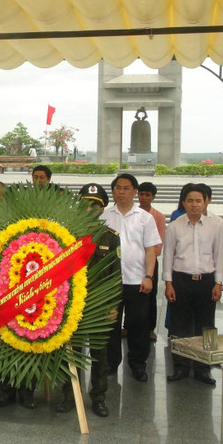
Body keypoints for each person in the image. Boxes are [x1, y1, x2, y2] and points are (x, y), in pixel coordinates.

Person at [56, 183, 119, 417]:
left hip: (99, 305)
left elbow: (115, 273)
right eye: (86, 204)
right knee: (70, 351)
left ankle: (99, 397)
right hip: (71, 303)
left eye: (95, 205)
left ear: (102, 209)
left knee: (100, 353)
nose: (90, 209)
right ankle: (69, 394)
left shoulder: (110, 237)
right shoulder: (67, 234)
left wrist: (113, 305)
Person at [163, 184, 223, 386]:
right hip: (180, 280)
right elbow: (168, 256)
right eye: (190, 201)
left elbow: (220, 255)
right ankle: (180, 366)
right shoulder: (174, 226)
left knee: (206, 326)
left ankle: (203, 368)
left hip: (206, 281)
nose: (194, 205)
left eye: (198, 200)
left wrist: (218, 282)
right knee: (179, 326)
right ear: (183, 203)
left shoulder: (216, 225)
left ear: (205, 201)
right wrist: (168, 283)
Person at [101, 173, 161, 382]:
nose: (121, 191)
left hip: (137, 281)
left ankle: (137, 364)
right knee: (111, 327)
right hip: (111, 283)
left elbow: (151, 249)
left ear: (135, 192)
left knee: (138, 326)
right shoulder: (105, 217)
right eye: (117, 188)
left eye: (126, 188)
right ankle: (110, 364)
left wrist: (148, 276)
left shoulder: (145, 218)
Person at [138, 182, 165, 341]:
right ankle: (128, 326)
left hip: (150, 262)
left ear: (153, 197)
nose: (144, 198)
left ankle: (150, 328)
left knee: (150, 296)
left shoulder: (158, 216)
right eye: (141, 194)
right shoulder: (131, 213)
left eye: (148, 195)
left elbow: (158, 245)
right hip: (131, 263)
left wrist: (146, 254)